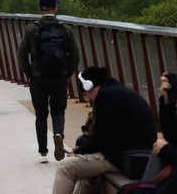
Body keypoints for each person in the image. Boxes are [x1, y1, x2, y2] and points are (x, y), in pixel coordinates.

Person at [52, 66, 156, 194]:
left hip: (123, 158)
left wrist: (79, 152)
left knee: (65, 168)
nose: (89, 98)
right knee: (86, 174)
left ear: (89, 86)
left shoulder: (106, 97)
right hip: (136, 156)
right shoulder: (118, 92)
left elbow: (99, 139)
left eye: (86, 93)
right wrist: (81, 151)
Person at [17, 0, 80, 163]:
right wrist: (67, 73)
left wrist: (30, 73)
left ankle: (43, 152)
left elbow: (21, 54)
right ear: (55, 8)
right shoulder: (66, 29)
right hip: (59, 77)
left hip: (39, 78)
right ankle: (58, 135)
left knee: (41, 114)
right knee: (58, 111)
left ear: (41, 9)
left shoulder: (31, 29)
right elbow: (75, 55)